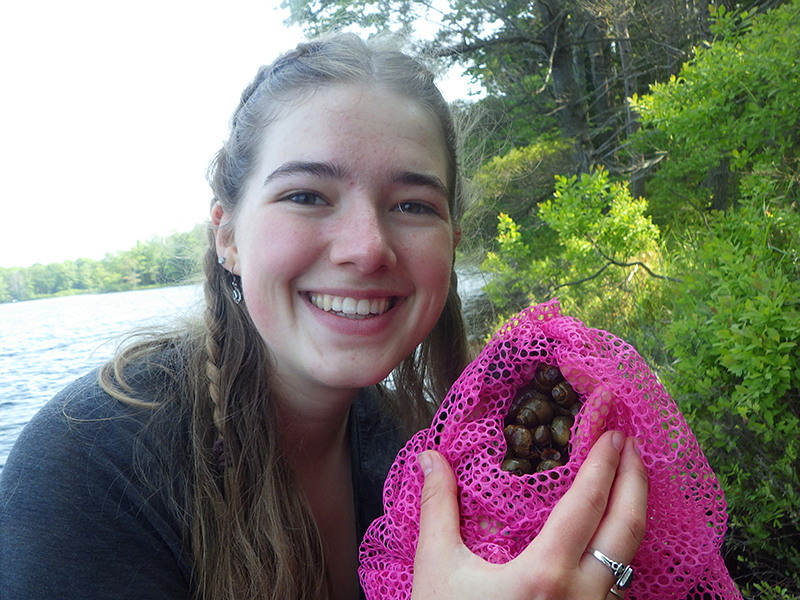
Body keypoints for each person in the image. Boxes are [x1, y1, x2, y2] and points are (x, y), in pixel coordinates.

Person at [0, 33, 647, 600]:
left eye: (413, 205)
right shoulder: (89, 464)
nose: (366, 247)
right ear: (227, 235)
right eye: (306, 195)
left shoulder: (413, 451)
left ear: (451, 241)